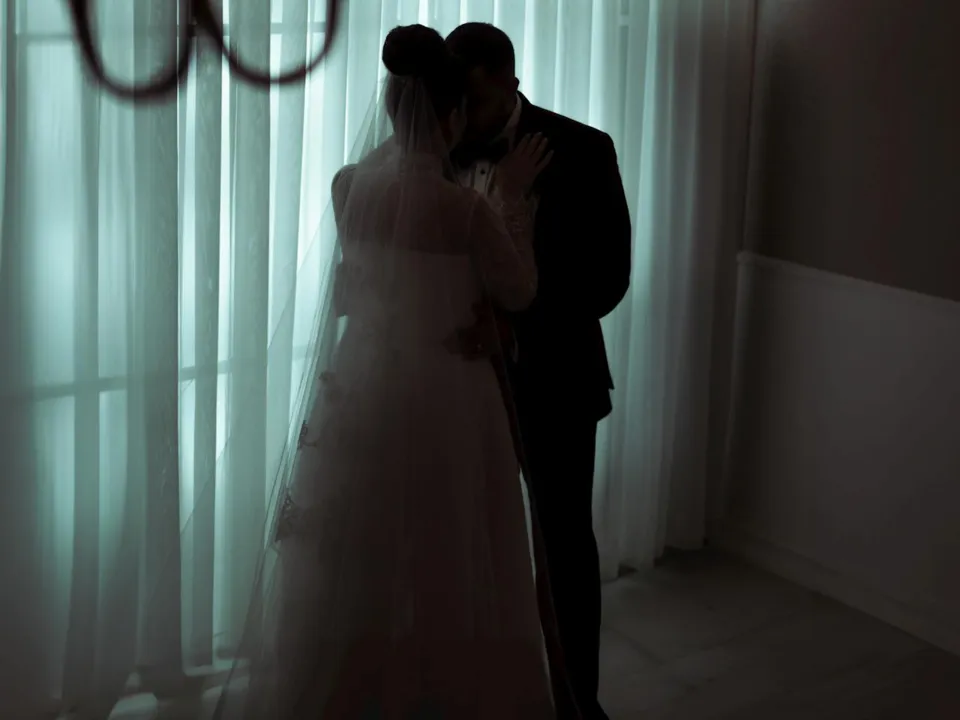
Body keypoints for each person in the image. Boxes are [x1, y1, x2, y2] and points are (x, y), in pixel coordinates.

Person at [213, 24, 577, 720]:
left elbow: (367, 274)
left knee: (364, 549)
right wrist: (510, 198)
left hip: (368, 384)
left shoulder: (348, 186)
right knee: (450, 546)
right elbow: (519, 288)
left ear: (391, 109)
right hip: (449, 391)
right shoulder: (467, 208)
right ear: (453, 114)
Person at [445, 22, 633, 720]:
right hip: (455, 383)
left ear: (510, 82)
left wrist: (516, 322)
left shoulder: (583, 149)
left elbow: (607, 279)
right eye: (454, 104)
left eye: (475, 103)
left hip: (555, 380)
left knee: (562, 547)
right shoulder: (432, 147)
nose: (463, 120)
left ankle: (576, 702)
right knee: (462, 543)